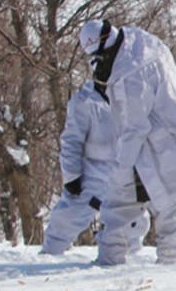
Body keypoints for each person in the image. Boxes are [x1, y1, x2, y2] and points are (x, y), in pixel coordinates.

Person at [78, 20, 176, 265]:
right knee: (169, 202)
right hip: (169, 136)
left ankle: (129, 262)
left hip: (157, 145)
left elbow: (134, 127)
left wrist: (122, 167)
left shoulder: (129, 73)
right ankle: (170, 259)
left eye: (97, 58)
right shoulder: (139, 44)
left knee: (125, 201)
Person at [40, 78, 148, 259]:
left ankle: (131, 256)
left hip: (124, 171)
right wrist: (72, 176)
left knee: (132, 217)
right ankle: (50, 253)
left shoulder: (131, 97)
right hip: (93, 172)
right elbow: (71, 141)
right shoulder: (84, 101)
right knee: (70, 215)